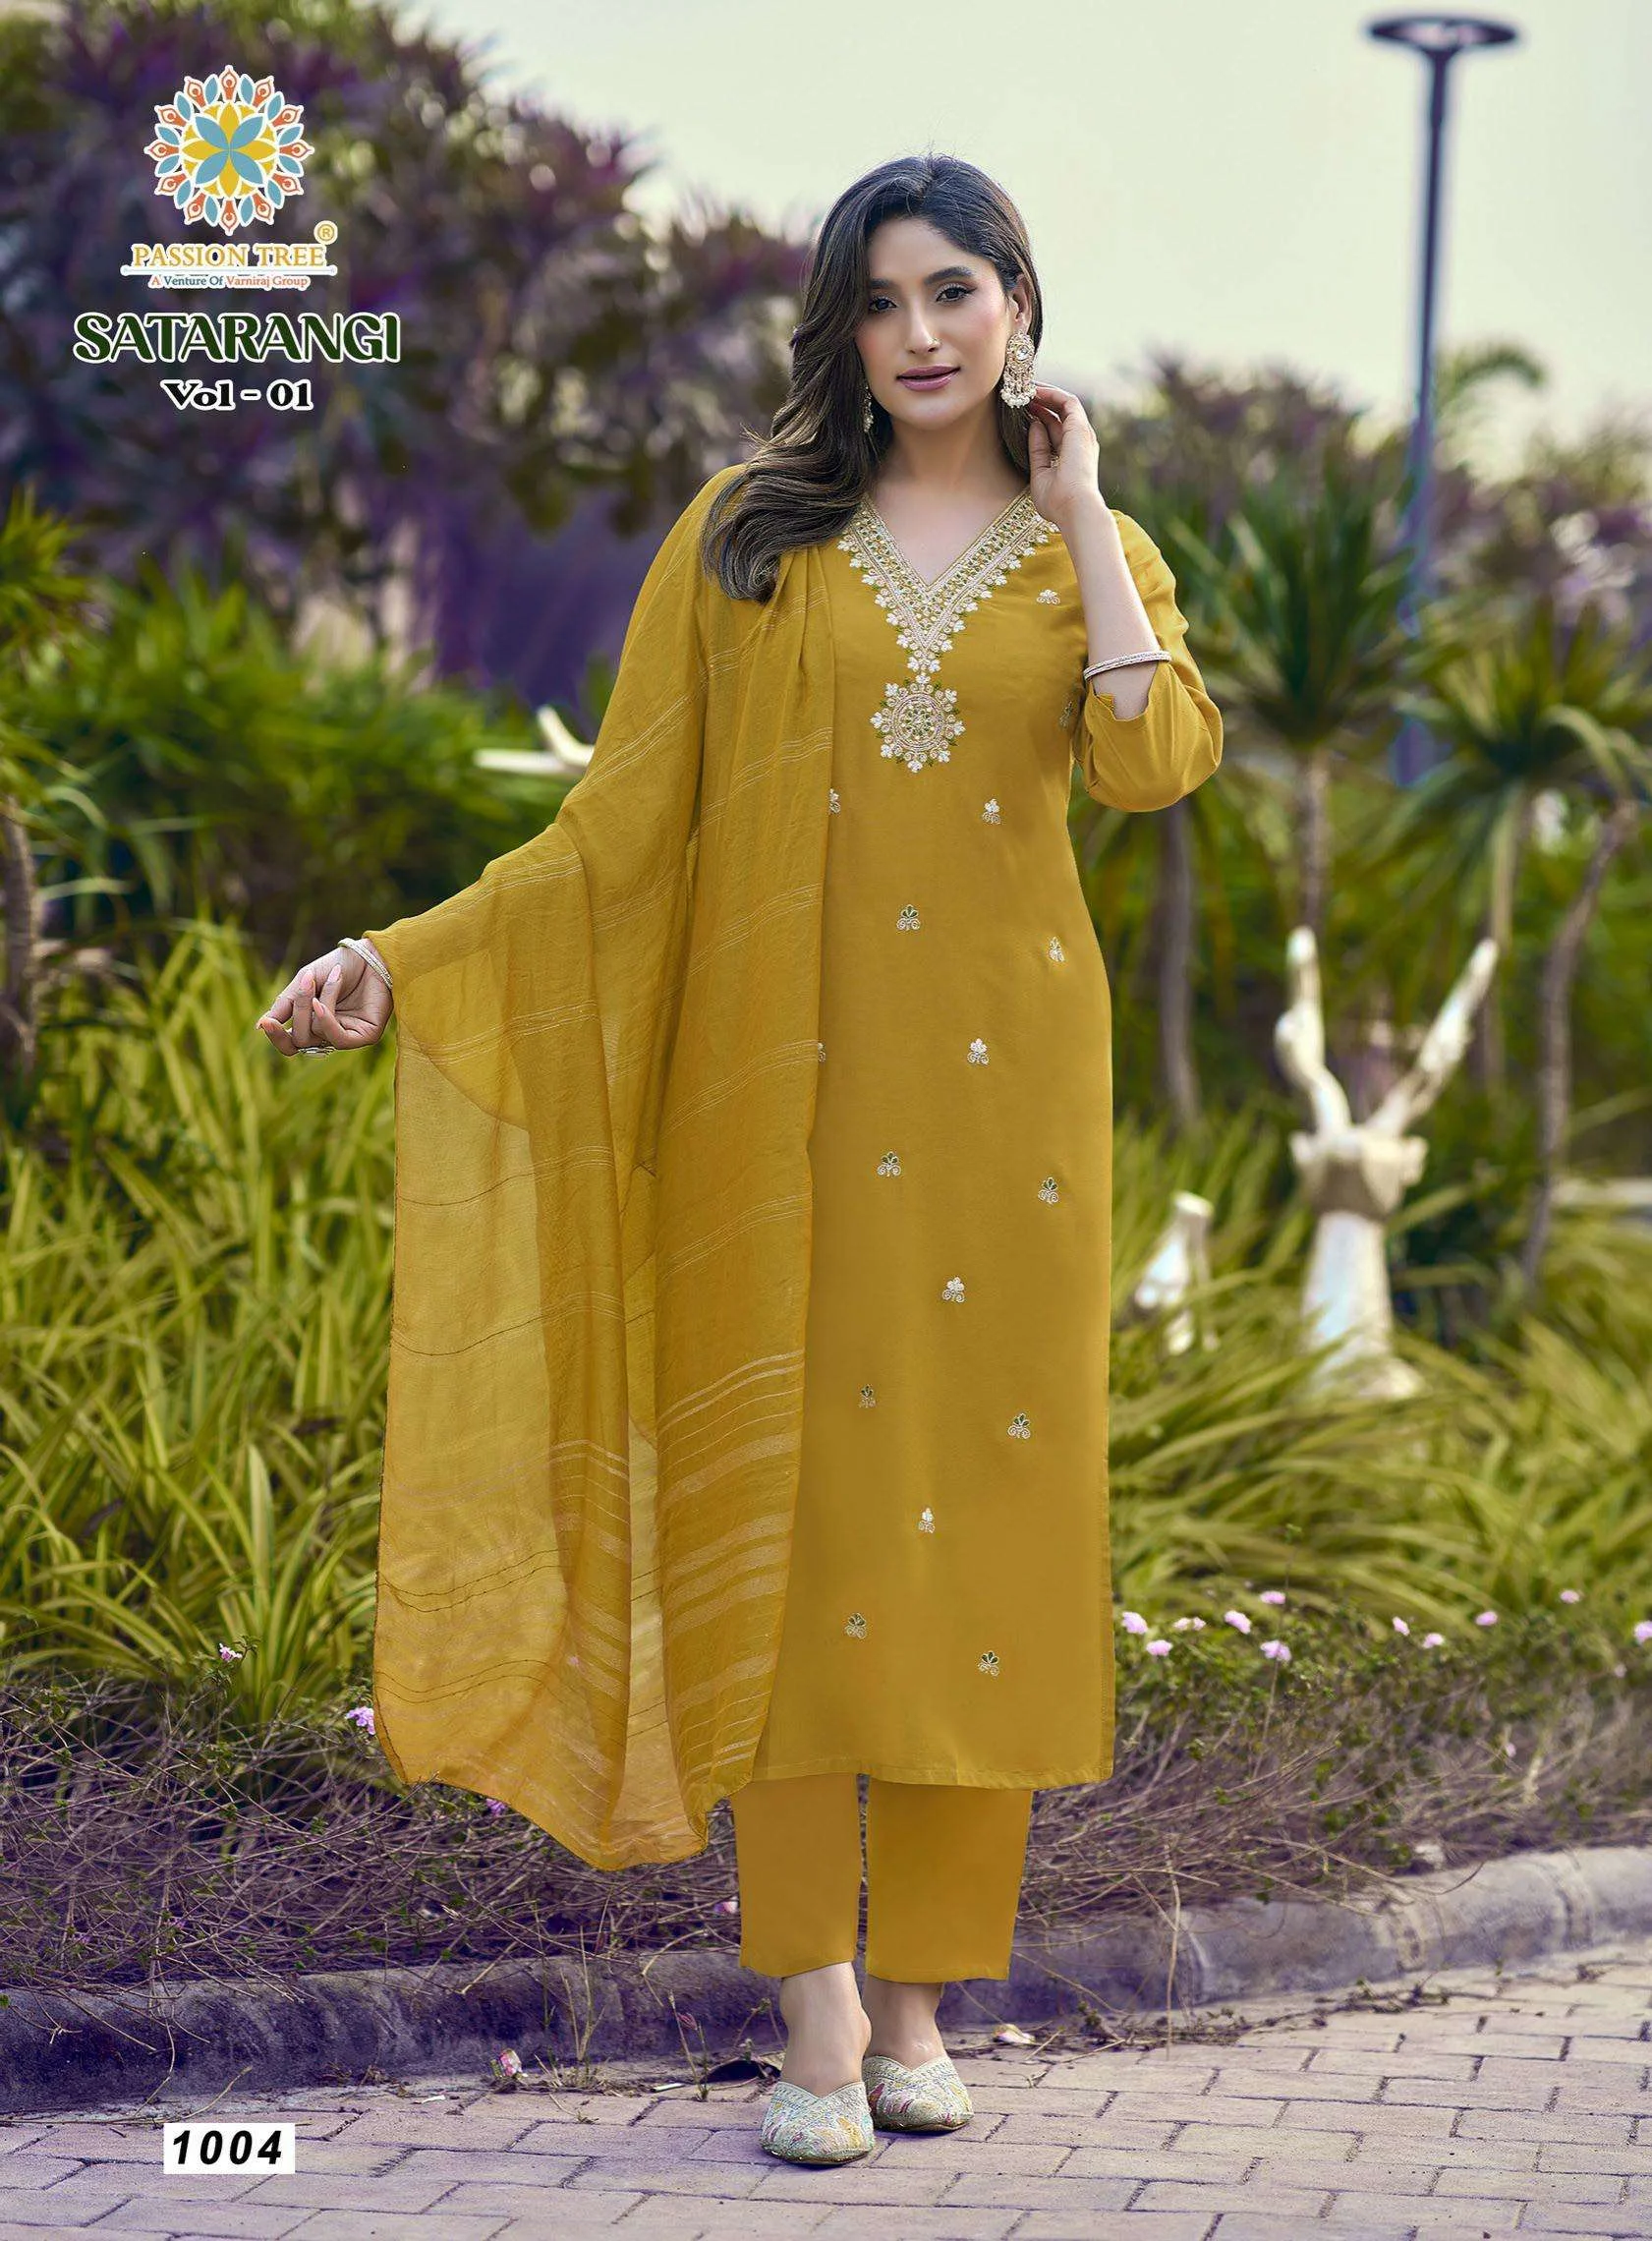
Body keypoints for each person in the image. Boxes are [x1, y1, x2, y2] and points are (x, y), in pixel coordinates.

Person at [257, 151, 1223, 2167]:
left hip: (1010, 1128)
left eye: (955, 290)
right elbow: (611, 832)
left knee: (978, 1548)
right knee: (796, 1553)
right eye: (881, 301)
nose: (921, 333)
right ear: (840, 330)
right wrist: (399, 958)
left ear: (1020, 303)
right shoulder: (748, 537)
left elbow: (1152, 763)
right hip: (783, 1118)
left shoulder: (1093, 545)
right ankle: (816, 2006)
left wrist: (1083, 510)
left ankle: (929, 2000)